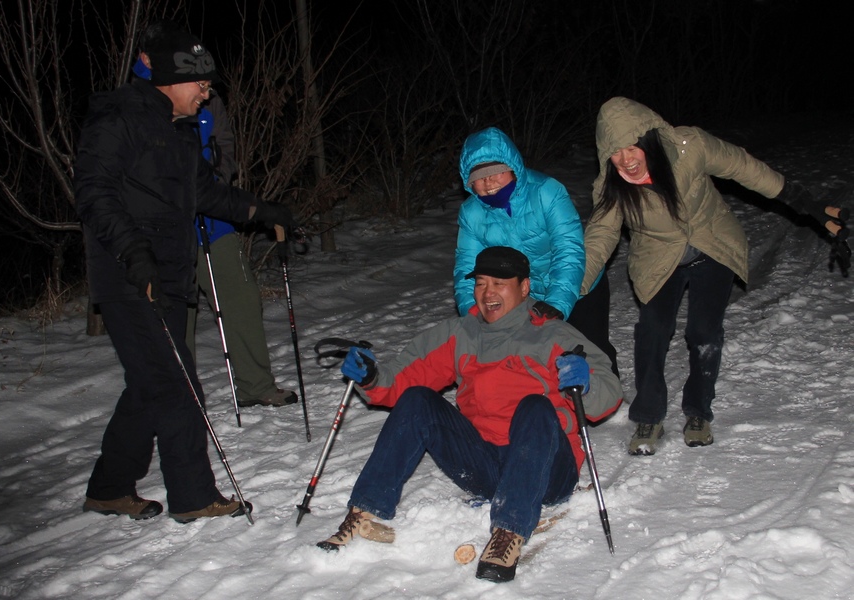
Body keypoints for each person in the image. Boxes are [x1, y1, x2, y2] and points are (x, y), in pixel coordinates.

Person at [74, 26, 296, 522]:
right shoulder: (117, 119)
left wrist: (265, 210)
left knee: (150, 382)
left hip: (169, 273)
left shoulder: (178, 130)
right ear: (171, 79)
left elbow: (208, 194)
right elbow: (95, 194)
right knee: (176, 382)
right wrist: (134, 254)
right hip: (131, 275)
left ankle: (110, 486)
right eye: (200, 83)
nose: (207, 92)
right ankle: (194, 496)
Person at [316, 246, 623, 583]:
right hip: (485, 466)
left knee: (535, 405)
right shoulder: (460, 333)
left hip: (547, 471)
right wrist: (372, 376)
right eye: (480, 283)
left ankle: (509, 531)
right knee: (418, 399)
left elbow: (609, 394)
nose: (487, 293)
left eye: (499, 283)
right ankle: (364, 512)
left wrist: (586, 383)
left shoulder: (554, 334)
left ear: (524, 287)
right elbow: (402, 379)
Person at [582, 96, 848, 456]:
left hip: (712, 245)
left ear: (650, 141)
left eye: (633, 147)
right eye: (615, 152)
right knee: (652, 331)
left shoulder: (689, 146)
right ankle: (648, 415)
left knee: (703, 331)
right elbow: (599, 239)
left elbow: (747, 169)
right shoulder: (611, 187)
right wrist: (568, 288)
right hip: (658, 259)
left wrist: (809, 205)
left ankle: (698, 411)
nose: (626, 159)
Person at [133, 23, 298, 408]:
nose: (205, 91)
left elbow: (224, 145)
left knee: (239, 296)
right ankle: (182, 397)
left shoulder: (207, 97)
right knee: (177, 313)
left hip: (214, 216)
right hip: (166, 228)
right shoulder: (141, 103)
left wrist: (217, 186)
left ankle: (255, 386)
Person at [454, 127, 620, 377]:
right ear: (468, 181)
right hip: (522, 296)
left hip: (577, 284)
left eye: (495, 172)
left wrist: (555, 305)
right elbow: (467, 268)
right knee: (536, 358)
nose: (488, 182)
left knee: (590, 348)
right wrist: (476, 314)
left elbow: (569, 250)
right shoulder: (471, 214)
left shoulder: (546, 192)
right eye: (479, 177)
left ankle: (610, 401)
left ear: (512, 167)